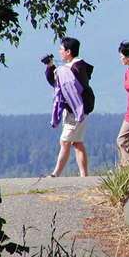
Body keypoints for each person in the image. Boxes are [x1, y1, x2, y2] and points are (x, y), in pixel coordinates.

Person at [44, 37, 95, 177]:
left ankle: (56, 173)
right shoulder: (68, 68)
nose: (59, 52)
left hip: (77, 109)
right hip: (75, 109)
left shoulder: (77, 67)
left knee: (64, 141)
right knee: (77, 143)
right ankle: (84, 176)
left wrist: (59, 72)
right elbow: (56, 83)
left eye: (61, 49)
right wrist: (51, 68)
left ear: (69, 51)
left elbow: (72, 85)